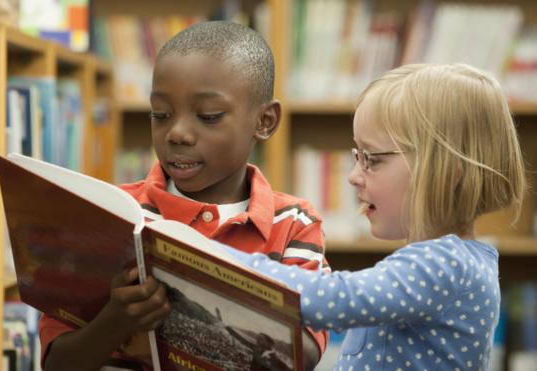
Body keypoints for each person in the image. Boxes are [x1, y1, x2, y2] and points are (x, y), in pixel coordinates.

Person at [41, 21, 330, 371]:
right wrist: (116, 321)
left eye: (208, 117)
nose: (176, 133)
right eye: (160, 115)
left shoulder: (294, 226)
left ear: (264, 121)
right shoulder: (109, 215)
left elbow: (303, 355)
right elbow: (57, 363)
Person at [219, 63, 527, 370]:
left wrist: (217, 258)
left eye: (372, 160)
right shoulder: (453, 262)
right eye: (357, 156)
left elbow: (332, 299)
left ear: (446, 175)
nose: (353, 177)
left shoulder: (445, 264)